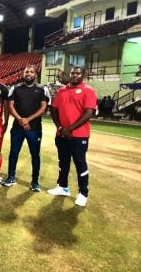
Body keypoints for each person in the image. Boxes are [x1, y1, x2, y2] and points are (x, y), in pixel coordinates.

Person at [48, 66, 97, 207]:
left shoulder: (88, 91)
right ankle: (63, 187)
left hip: (79, 135)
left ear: (83, 75)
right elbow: (54, 110)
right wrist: (59, 127)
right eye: (73, 73)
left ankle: (83, 193)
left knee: (80, 163)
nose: (75, 75)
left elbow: (88, 113)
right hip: (62, 133)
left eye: (78, 73)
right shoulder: (62, 90)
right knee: (63, 162)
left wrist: (70, 129)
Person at [2, 65, 50, 191]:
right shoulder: (15, 88)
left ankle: (35, 182)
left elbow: (43, 108)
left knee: (35, 155)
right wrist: (20, 119)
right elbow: (10, 106)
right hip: (17, 128)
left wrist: (27, 120)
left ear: (35, 74)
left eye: (31, 72)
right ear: (23, 74)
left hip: (34, 129)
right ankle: (11, 177)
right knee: (13, 153)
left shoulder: (42, 89)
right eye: (26, 71)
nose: (29, 73)